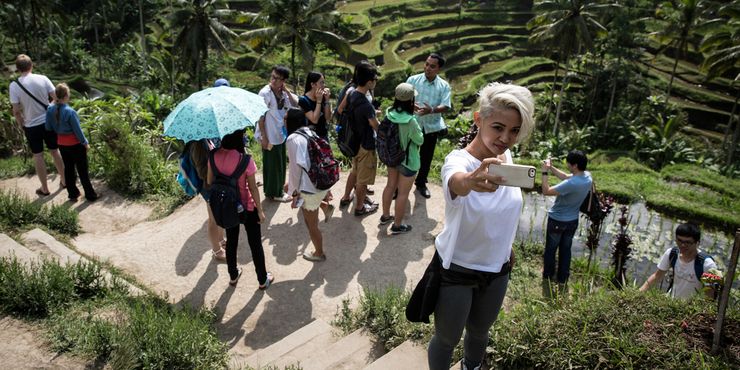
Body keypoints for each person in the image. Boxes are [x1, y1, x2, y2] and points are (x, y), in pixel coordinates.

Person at [427, 82, 534, 370]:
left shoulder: (506, 157)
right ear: (479, 119)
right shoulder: (458, 161)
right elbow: (456, 181)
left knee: (480, 331)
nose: (505, 138)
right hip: (458, 268)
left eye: (514, 131)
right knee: (446, 338)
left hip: (497, 269)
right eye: (498, 127)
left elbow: (503, 212)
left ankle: (470, 367)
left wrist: (506, 246)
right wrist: (470, 182)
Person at [207, 129, 273, 289]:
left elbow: (210, 181)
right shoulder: (245, 160)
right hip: (247, 207)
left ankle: (233, 275)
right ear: (239, 139)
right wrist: (260, 210)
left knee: (231, 241)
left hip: (227, 206)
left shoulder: (213, 156)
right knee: (255, 243)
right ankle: (262, 279)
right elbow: (253, 188)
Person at [9, 54, 65, 196]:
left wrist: (22, 125)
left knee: (38, 156)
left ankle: (45, 188)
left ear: (17, 69)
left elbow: (16, 111)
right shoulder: (42, 78)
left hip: (31, 126)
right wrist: (49, 108)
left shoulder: (14, 86)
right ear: (31, 65)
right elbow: (56, 99)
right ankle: (64, 180)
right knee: (54, 151)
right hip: (48, 122)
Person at [285, 108, 335, 262]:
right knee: (312, 205)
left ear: (291, 121)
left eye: (286, 118)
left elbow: (296, 168)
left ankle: (319, 253)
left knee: (311, 224)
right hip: (321, 182)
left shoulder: (292, 139)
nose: (283, 120)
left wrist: (293, 192)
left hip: (308, 187)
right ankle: (326, 206)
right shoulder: (310, 131)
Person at [540, 150, 592, 289]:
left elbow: (546, 191)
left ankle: (548, 275)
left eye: (568, 163)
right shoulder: (587, 177)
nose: (567, 164)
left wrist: (544, 172)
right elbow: (564, 176)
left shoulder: (573, 183)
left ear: (574, 165)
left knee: (551, 249)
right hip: (572, 221)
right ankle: (563, 277)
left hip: (557, 220)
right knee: (566, 250)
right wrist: (550, 167)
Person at [379, 83, 424, 234]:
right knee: (403, 193)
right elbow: (420, 140)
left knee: (390, 186)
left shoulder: (388, 113)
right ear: (410, 100)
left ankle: (385, 216)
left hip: (392, 157)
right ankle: (397, 225)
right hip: (407, 161)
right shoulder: (411, 121)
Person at [406, 52, 451, 199]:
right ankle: (401, 184)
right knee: (406, 155)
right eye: (426, 64)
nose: (428, 68)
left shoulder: (444, 86)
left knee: (426, 157)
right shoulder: (412, 80)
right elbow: (404, 98)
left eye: (432, 66)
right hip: (412, 125)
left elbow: (446, 105)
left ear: (438, 69)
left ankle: (420, 183)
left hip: (431, 127)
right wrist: (409, 105)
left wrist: (431, 110)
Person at [337, 62, 380, 217]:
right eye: (375, 79)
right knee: (363, 180)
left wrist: (355, 118)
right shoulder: (366, 105)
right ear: (369, 82)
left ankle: (346, 197)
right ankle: (360, 207)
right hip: (366, 145)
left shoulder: (351, 93)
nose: (376, 81)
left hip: (353, 142)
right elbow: (375, 127)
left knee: (354, 171)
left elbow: (340, 110)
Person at [44, 83, 98, 202]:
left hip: (62, 144)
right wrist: (85, 143)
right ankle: (90, 195)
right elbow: (77, 131)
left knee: (68, 169)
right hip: (75, 145)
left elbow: (48, 127)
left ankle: (72, 194)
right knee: (82, 170)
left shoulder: (50, 109)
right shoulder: (70, 111)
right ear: (66, 96)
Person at [640, 223, 718, 299]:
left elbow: (710, 294)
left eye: (688, 242)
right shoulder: (671, 253)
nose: (683, 245)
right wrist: (639, 294)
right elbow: (657, 276)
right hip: (671, 301)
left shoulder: (708, 265)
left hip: (692, 308)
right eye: (680, 241)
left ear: (697, 243)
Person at [255, 65, 297, 202]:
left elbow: (296, 104)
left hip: (280, 134)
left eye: (278, 79)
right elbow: (260, 116)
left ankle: (275, 190)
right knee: (271, 165)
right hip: (269, 134)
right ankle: (274, 193)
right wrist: (263, 137)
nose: (274, 80)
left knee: (279, 164)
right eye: (273, 77)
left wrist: (288, 91)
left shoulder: (283, 93)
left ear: (283, 81)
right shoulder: (265, 93)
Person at [298, 71, 332, 141]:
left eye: (324, 82)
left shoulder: (322, 96)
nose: (324, 85)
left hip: (323, 135)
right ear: (313, 84)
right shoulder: (303, 100)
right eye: (321, 82)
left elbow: (328, 118)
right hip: (311, 138)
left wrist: (327, 100)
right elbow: (314, 120)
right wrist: (319, 102)